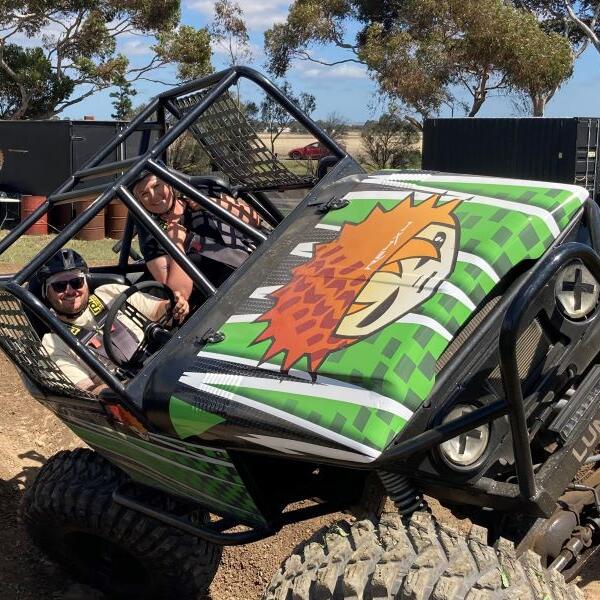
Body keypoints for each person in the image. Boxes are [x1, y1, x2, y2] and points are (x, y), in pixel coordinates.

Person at [38, 248, 189, 393]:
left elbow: (157, 310)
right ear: (46, 292)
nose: (70, 291)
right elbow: (88, 390)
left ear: (86, 282)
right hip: (135, 394)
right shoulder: (52, 343)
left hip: (171, 362)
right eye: (59, 286)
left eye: (76, 282)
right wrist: (129, 387)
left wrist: (174, 306)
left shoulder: (110, 293)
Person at [132, 173, 263, 302]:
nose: (153, 196)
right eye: (144, 194)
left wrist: (210, 203)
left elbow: (254, 220)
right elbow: (178, 295)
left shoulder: (200, 193)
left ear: (168, 183)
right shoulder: (153, 238)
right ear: (140, 202)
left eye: (156, 186)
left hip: (259, 264)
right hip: (226, 296)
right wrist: (177, 245)